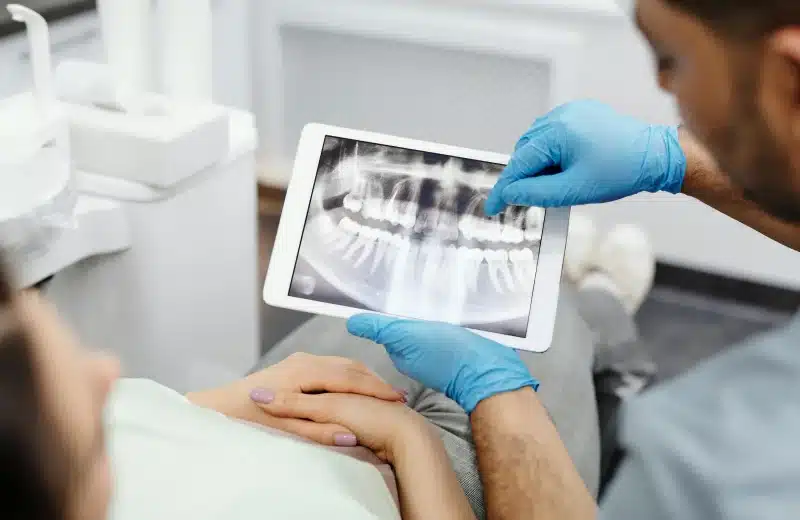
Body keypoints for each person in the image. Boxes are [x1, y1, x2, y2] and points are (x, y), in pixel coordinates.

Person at [297, 0, 800, 518]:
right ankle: (604, 302)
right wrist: (673, 161)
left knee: (558, 312)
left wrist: (490, 394)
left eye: (672, 57)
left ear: (791, 74)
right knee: (562, 313)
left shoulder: (715, 472)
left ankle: (600, 300)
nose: (664, 85)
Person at [0, 216, 656, 519]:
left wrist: (227, 399)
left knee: (438, 292)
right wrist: (414, 443)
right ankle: (602, 307)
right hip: (416, 485)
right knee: (547, 318)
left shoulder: (45, 451)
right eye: (84, 400)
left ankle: (587, 298)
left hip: (278, 406)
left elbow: (142, 413)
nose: (108, 372)